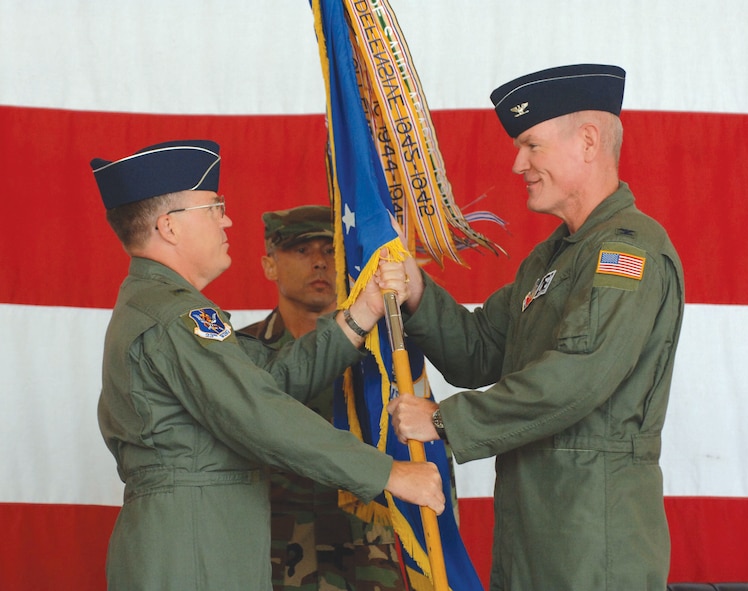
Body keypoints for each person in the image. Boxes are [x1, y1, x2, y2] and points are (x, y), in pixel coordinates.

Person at [89, 139, 444, 591]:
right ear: (170, 227)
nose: (227, 218)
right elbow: (258, 411)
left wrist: (361, 314)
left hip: (203, 534)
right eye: (214, 207)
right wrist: (389, 474)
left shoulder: (163, 307)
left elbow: (269, 381)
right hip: (195, 542)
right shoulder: (172, 316)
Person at [387, 64, 685, 590]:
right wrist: (416, 293)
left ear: (588, 142)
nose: (517, 163)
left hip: (593, 534)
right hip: (536, 527)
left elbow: (578, 377)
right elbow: (480, 351)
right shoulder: (553, 258)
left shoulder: (625, 251)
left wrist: (444, 422)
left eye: (532, 145)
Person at [240, 204, 414, 590]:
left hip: (369, 555)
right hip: (276, 554)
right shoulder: (243, 353)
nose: (319, 263)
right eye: (301, 250)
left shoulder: (386, 357)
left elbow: (424, 451)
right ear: (270, 265)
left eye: (329, 250)